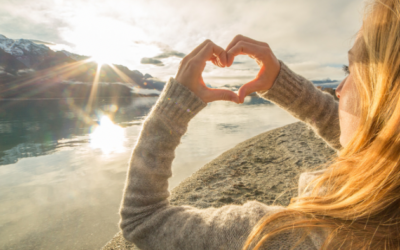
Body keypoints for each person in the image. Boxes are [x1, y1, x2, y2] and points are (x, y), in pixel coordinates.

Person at [119, 0, 400, 248]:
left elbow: (142, 219)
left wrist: (173, 107)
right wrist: (281, 82)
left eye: (350, 71)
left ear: (389, 99)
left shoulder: (280, 236)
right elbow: (378, 141)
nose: (339, 88)